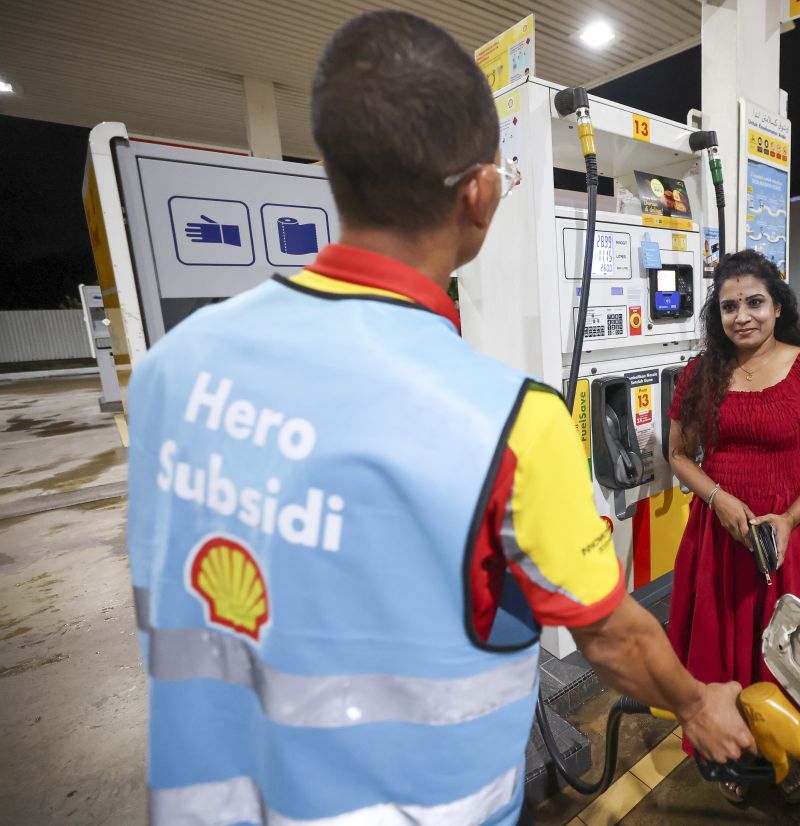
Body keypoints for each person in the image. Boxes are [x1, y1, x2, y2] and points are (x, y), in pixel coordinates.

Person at [124, 12, 753, 826]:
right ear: (481, 192)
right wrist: (700, 704)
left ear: (332, 172)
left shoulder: (172, 368)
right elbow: (614, 640)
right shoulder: (512, 421)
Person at [667, 250, 800, 696]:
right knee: (718, 655)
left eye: (755, 302)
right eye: (729, 307)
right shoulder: (701, 372)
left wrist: (789, 519)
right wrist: (719, 498)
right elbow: (677, 455)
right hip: (718, 535)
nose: (742, 317)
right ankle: (726, 742)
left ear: (778, 307)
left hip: (788, 535)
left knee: (789, 661)